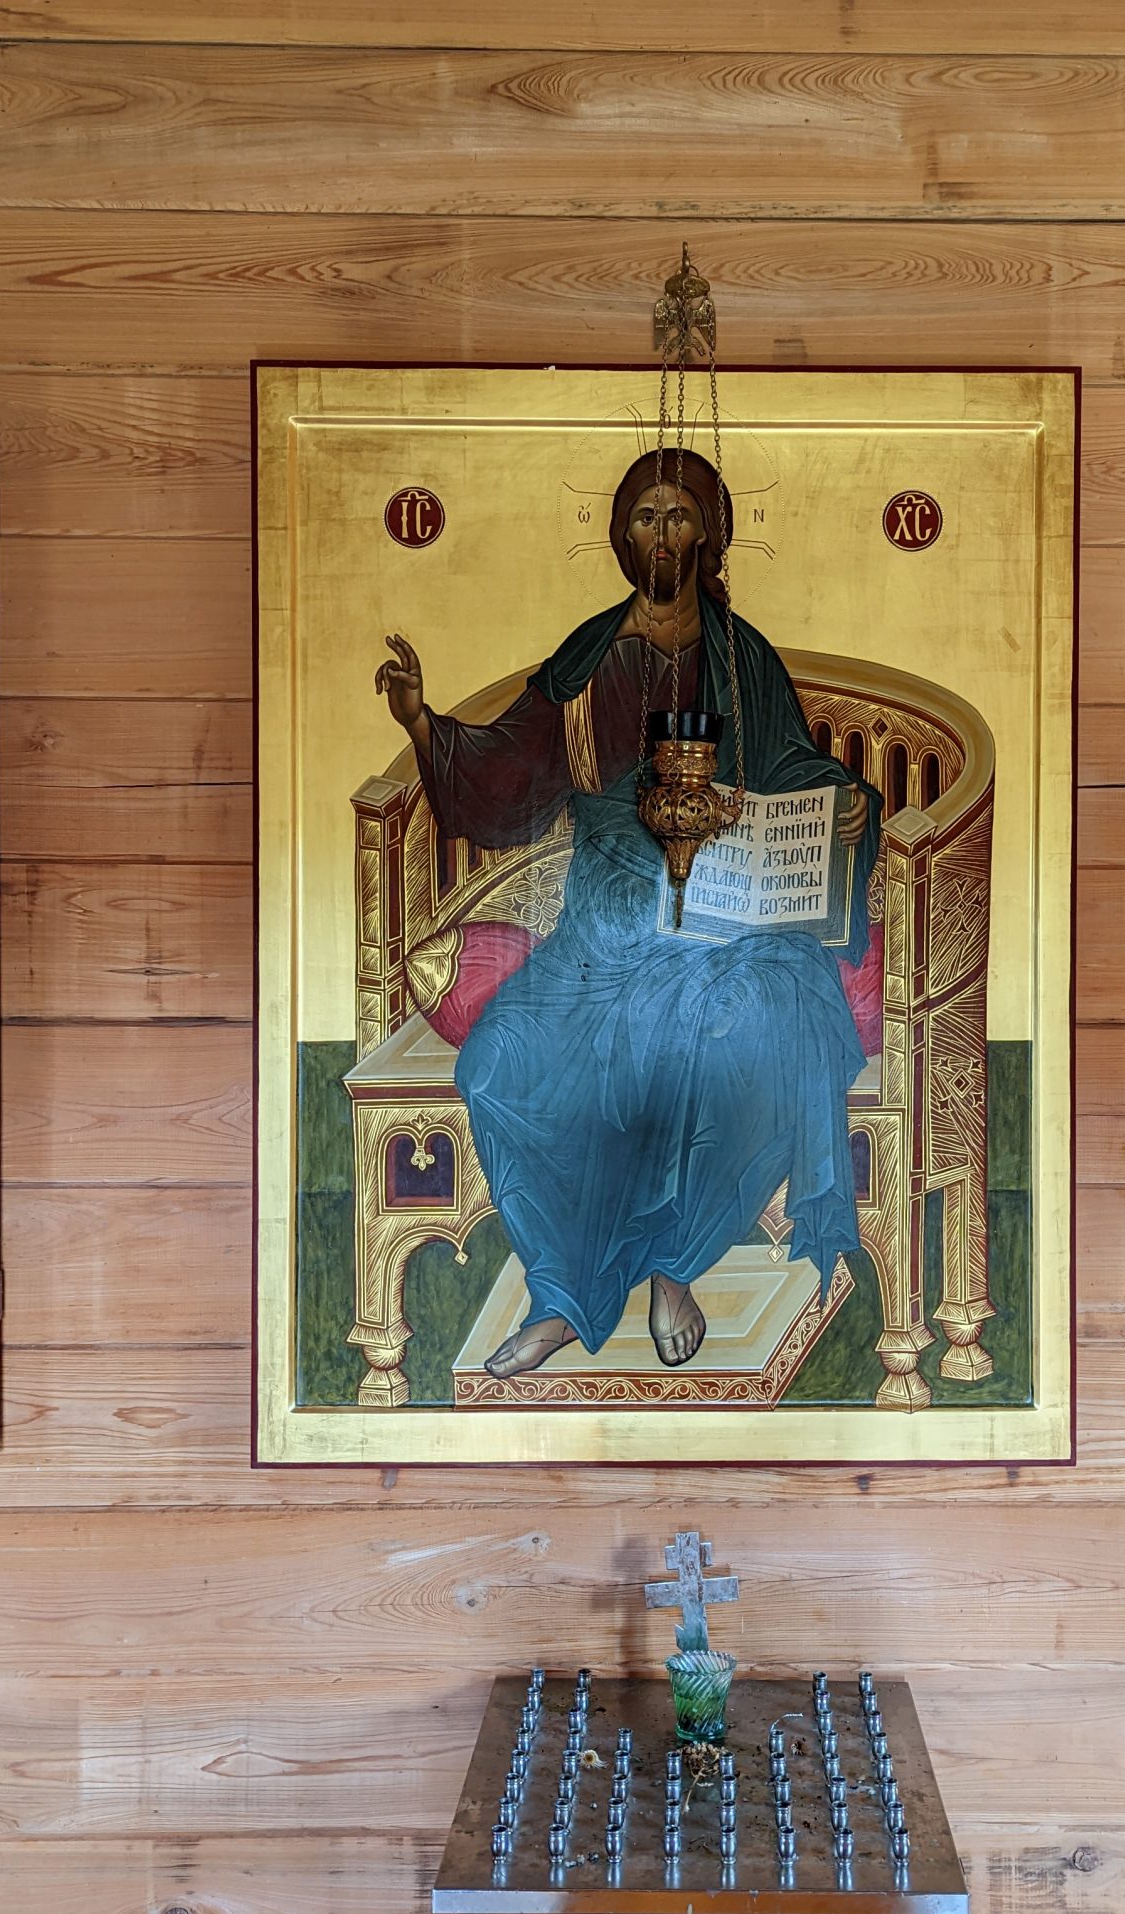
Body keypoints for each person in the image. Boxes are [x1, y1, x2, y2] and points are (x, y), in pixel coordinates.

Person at [373, 447, 881, 1378]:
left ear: (707, 534)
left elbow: (793, 770)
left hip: (729, 928)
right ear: (622, 536)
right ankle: (562, 1292)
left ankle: (674, 1266)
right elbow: (507, 769)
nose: (663, 535)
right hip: (602, 934)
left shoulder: (742, 659)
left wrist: (847, 802)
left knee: (733, 1044)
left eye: (679, 516)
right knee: (496, 1066)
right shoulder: (586, 660)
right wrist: (423, 725)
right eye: (646, 517)